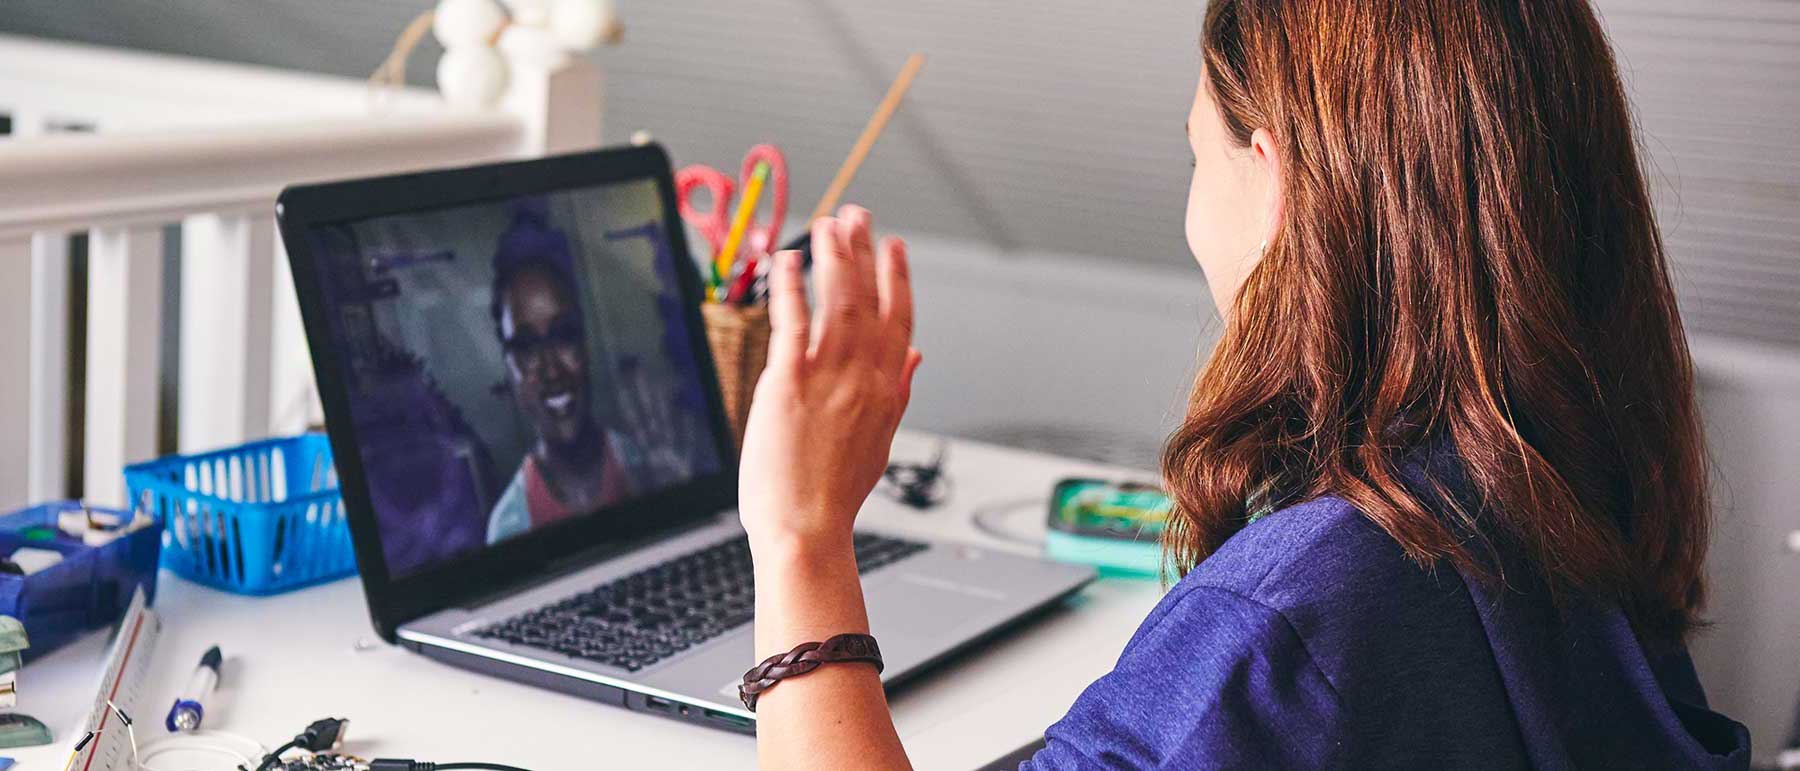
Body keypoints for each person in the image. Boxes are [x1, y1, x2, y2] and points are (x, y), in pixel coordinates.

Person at [733, 0, 1752, 768]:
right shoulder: (1557, 472)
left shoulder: (1291, 615)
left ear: (1274, 180)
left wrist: (802, 537)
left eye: (1196, 153)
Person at [487, 211, 642, 543]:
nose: (552, 370)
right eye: (526, 347)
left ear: (585, 345)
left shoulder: (646, 466)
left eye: (563, 335)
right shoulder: (506, 528)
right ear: (509, 371)